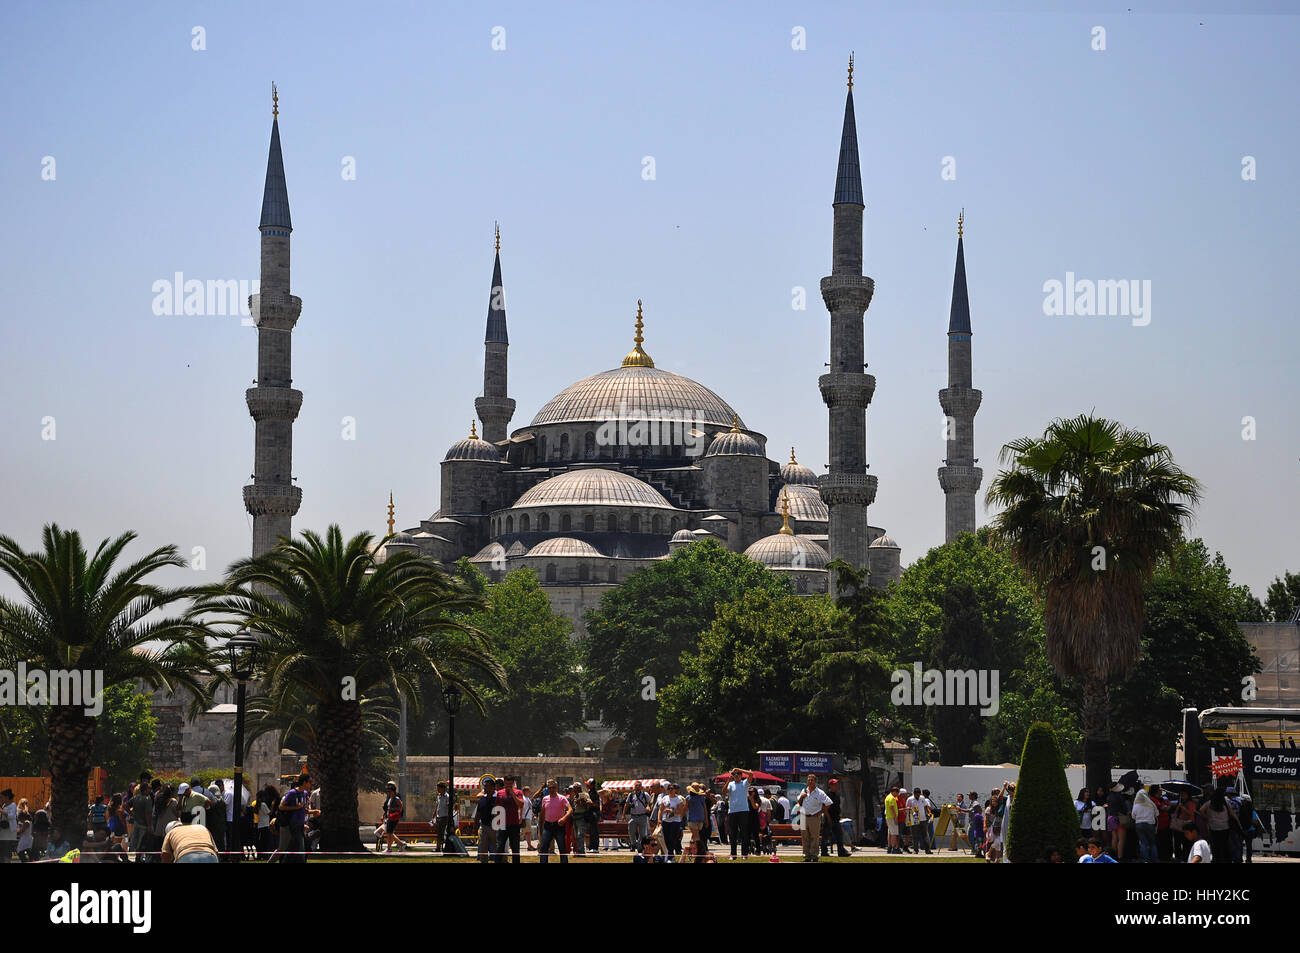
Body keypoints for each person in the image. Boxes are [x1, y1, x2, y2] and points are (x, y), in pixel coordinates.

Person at [795, 773, 833, 863]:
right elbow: (799, 802)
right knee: (805, 837)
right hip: (804, 816)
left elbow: (829, 803)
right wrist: (802, 796)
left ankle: (814, 856)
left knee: (814, 837)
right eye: (808, 780)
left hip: (814, 817)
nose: (810, 781)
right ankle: (806, 856)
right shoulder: (804, 790)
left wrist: (820, 812)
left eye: (812, 780)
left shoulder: (820, 792)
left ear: (815, 781)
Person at [1197, 787, 1237, 865]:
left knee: (1215, 845)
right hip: (1225, 827)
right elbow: (1232, 814)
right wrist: (1238, 823)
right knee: (1225, 845)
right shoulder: (1225, 803)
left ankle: (1216, 859)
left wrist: (1206, 817)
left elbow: (1200, 810)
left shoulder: (1209, 803)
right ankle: (1226, 859)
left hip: (1213, 827)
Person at [277, 775, 309, 863]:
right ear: (304, 782)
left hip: (301, 823)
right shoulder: (292, 793)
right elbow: (281, 807)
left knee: (293, 847)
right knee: (300, 848)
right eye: (309, 782)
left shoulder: (305, 793)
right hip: (294, 823)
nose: (311, 784)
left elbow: (303, 810)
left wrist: (312, 811)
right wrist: (296, 808)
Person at [538, 779, 572, 864]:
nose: (551, 789)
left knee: (562, 848)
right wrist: (541, 828)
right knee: (543, 847)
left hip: (559, 826)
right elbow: (542, 814)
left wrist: (564, 818)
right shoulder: (545, 799)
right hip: (548, 826)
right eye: (549, 788)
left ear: (556, 788)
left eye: (553, 788)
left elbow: (570, 809)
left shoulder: (562, 798)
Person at [494, 776, 524, 864]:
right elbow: (497, 808)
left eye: (510, 784)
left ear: (513, 783)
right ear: (504, 783)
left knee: (515, 848)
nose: (508, 786)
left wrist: (512, 794)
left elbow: (521, 804)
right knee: (500, 847)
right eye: (507, 784)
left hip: (514, 824)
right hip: (502, 824)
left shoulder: (518, 792)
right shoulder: (499, 793)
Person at [725, 768, 752, 858]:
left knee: (744, 833)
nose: (736, 775)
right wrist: (728, 781)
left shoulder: (744, 783)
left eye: (738, 774)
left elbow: (751, 774)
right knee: (733, 834)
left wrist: (739, 769)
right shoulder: (730, 784)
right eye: (734, 774)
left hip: (743, 811)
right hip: (732, 811)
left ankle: (744, 854)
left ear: (741, 775)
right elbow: (724, 791)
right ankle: (733, 854)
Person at [821, 778, 849, 857]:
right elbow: (824, 808)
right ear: (830, 786)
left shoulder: (837, 795)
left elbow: (838, 807)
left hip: (836, 818)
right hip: (829, 818)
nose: (837, 786)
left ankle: (841, 852)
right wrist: (828, 818)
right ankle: (824, 852)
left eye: (837, 784)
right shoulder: (827, 795)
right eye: (834, 784)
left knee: (839, 836)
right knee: (825, 836)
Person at [1131, 782, 1158, 863]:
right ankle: (1155, 859)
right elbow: (1157, 814)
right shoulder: (1151, 804)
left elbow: (1133, 816)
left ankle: (1146, 860)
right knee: (1152, 843)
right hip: (1150, 825)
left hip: (1139, 825)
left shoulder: (1136, 805)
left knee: (1143, 843)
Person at [622, 779, 652, 851]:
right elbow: (627, 804)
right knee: (631, 831)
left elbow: (650, 803)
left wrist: (648, 807)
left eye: (639, 786)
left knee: (642, 833)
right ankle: (633, 844)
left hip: (642, 816)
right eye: (636, 785)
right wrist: (623, 814)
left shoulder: (645, 795)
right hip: (633, 816)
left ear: (641, 787)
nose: (637, 787)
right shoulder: (631, 795)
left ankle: (639, 846)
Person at [659, 782, 686, 859]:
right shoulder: (665, 798)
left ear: (675, 790)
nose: (670, 790)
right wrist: (659, 819)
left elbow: (681, 812)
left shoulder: (679, 799)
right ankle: (669, 854)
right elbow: (660, 809)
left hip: (675, 821)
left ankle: (670, 854)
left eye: (672, 788)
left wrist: (671, 811)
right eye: (669, 788)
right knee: (666, 838)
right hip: (665, 820)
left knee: (672, 838)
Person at [379, 781, 408, 852]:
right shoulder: (389, 798)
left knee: (389, 832)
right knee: (389, 833)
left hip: (393, 818)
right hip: (389, 817)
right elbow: (387, 809)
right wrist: (384, 815)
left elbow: (401, 807)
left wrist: (395, 812)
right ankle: (400, 844)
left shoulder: (396, 797)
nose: (388, 792)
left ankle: (390, 848)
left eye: (390, 789)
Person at [473, 777, 497, 862]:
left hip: (495, 827)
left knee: (497, 848)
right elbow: (478, 814)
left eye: (487, 786)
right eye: (484, 786)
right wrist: (475, 826)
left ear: (493, 787)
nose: (485, 788)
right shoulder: (482, 799)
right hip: (484, 826)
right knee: (483, 847)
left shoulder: (498, 798)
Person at [127, 781, 153, 861]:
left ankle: (132, 857)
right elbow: (147, 814)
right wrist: (149, 825)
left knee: (134, 840)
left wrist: (131, 813)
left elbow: (125, 805)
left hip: (136, 822)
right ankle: (139, 858)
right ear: (145, 789)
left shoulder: (135, 797)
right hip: (144, 824)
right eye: (149, 789)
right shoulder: (147, 799)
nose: (150, 790)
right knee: (141, 842)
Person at [685, 782, 709, 860]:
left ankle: (689, 852)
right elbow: (685, 807)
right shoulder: (688, 797)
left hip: (700, 819)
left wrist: (706, 819)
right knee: (697, 836)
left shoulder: (701, 798)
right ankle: (699, 853)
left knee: (694, 836)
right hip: (692, 819)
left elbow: (705, 809)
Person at [432, 781, 452, 852]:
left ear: (443, 788)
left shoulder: (447, 797)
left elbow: (449, 807)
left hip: (444, 817)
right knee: (439, 833)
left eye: (439, 788)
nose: (438, 790)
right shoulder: (438, 796)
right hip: (438, 817)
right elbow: (437, 806)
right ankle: (438, 847)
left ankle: (441, 847)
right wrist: (434, 816)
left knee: (442, 833)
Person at [0, 789, 17, 863]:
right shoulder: (3, 805)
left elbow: (11, 816)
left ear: (7, 797)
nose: (1, 799)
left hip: (9, 832)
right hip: (3, 831)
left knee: (7, 850)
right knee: (2, 851)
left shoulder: (13, 805)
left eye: (2, 797)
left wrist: (1, 811)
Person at [520, 785, 536, 850]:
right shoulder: (523, 798)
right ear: (525, 791)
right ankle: (529, 846)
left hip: (528, 817)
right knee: (527, 832)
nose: (530, 792)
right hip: (525, 818)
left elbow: (529, 808)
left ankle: (529, 845)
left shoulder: (528, 798)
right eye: (529, 790)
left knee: (526, 832)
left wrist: (532, 815)